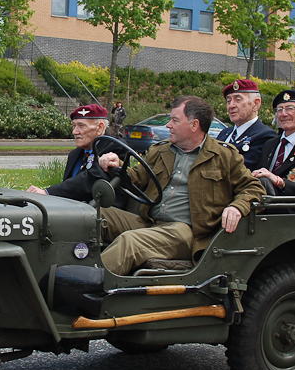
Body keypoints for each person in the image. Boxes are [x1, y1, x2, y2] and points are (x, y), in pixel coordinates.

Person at [97, 95, 265, 276]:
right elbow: (137, 177)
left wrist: (236, 207)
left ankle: (89, 283)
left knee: (129, 242)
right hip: (149, 223)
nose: (168, 125)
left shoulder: (223, 156)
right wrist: (117, 165)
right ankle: (71, 269)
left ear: (194, 125)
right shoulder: (161, 150)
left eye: (175, 120)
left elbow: (253, 188)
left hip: (186, 233)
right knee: (91, 216)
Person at [27, 104, 127, 208]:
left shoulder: (116, 147)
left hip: (103, 216)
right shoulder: (75, 154)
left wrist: (48, 193)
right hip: (74, 212)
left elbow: (92, 179)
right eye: (74, 126)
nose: (74, 132)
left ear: (100, 128)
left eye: (81, 126)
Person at [216, 79, 277, 170]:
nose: (231, 105)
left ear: (256, 104)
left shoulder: (266, 136)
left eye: (238, 100)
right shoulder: (224, 133)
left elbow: (241, 169)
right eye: (228, 101)